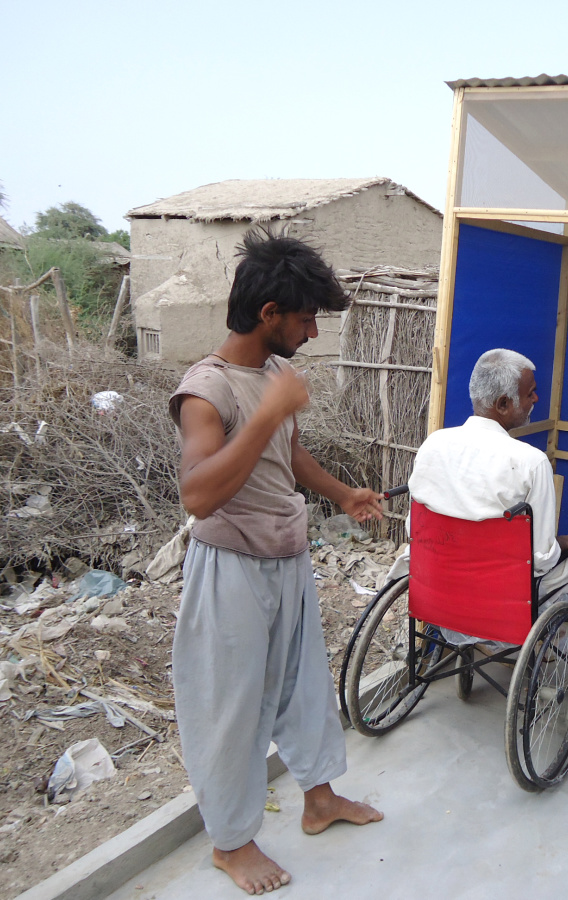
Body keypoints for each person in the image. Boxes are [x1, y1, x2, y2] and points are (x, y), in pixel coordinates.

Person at [169, 228, 384, 895]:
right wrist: (268, 413)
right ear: (269, 317)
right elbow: (199, 495)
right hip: (231, 568)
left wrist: (343, 493)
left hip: (286, 557)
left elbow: (285, 456)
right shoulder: (206, 390)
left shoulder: (268, 378)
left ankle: (319, 802)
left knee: (304, 687)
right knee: (230, 706)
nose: (313, 333)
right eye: (305, 318)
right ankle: (231, 844)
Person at [404, 348, 568, 668]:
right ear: (503, 403)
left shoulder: (434, 444)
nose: (536, 400)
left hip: (438, 583)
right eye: (530, 394)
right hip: (499, 596)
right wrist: (567, 541)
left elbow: (412, 530)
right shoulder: (530, 462)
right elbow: (541, 560)